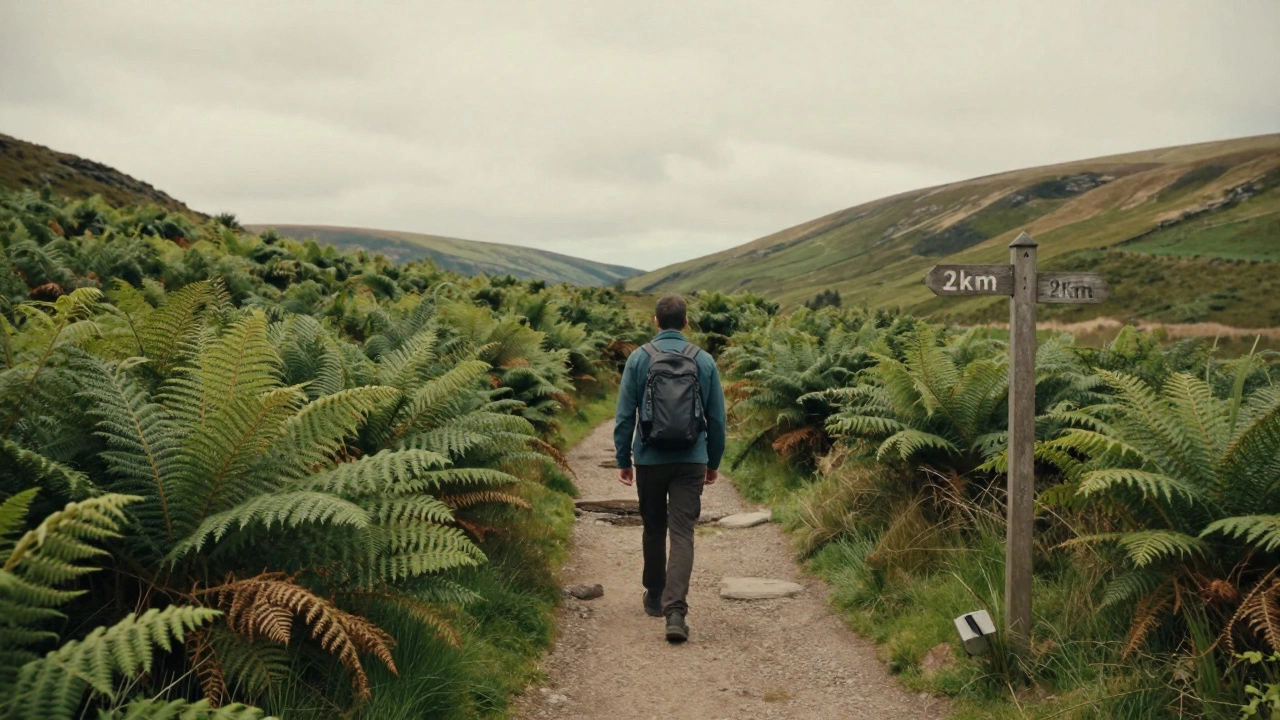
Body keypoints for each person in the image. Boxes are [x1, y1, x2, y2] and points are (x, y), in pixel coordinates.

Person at [614, 294, 726, 643]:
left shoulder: (638, 358)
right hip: (691, 457)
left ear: (655, 321)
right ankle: (675, 611)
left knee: (653, 526)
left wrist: (623, 458)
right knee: (682, 532)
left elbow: (624, 414)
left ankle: (654, 595)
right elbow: (718, 419)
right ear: (686, 322)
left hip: (649, 457)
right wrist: (713, 460)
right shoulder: (703, 360)